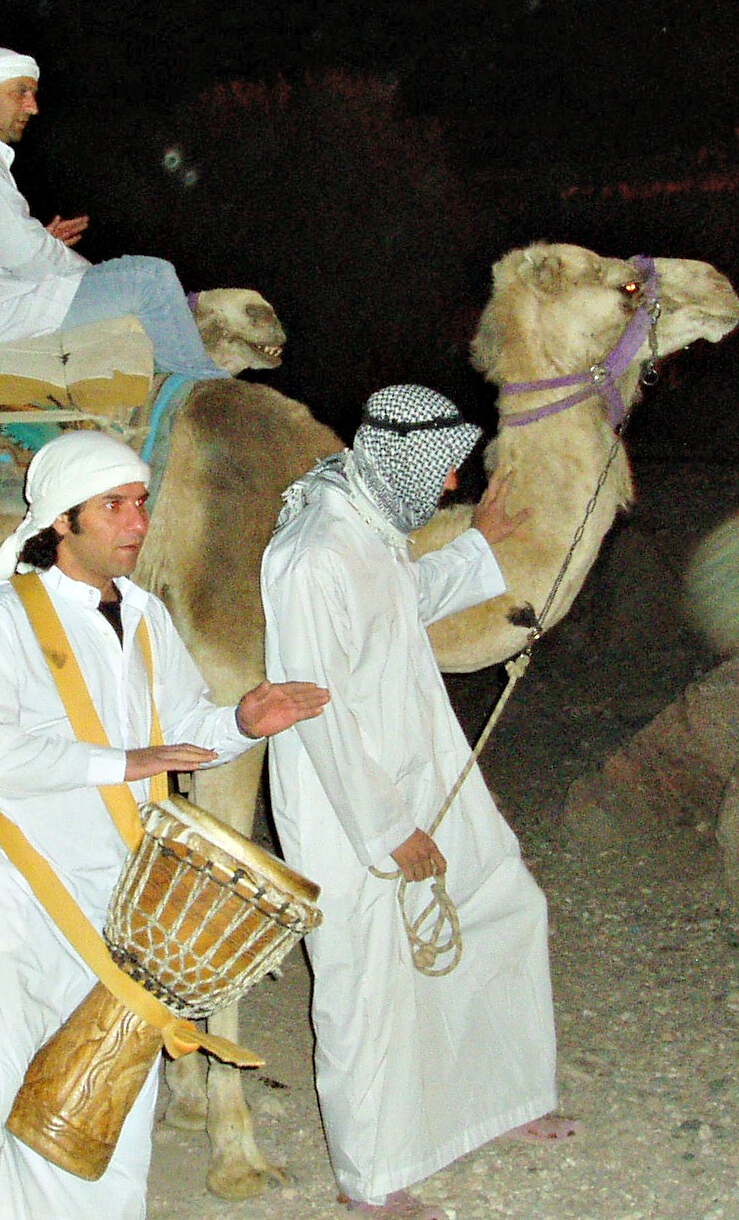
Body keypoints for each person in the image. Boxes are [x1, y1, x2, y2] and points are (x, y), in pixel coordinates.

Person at [0, 430, 330, 1220]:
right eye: (113, 506)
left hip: (124, 903)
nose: (137, 521)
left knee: (102, 1108)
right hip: (13, 893)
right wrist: (120, 761)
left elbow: (185, 723)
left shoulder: (150, 615)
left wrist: (243, 720)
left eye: (141, 503)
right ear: (61, 521)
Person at [259, 384, 575, 1220]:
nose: (444, 487)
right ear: (403, 456)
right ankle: (368, 1183)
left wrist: (480, 544)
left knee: (504, 901)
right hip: (348, 802)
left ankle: (502, 1097)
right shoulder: (311, 551)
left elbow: (398, 609)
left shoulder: (365, 522)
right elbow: (316, 710)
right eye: (441, 473)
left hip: (426, 767)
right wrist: (388, 828)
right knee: (364, 981)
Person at [0, 46, 230, 380]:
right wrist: (92, 274)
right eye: (20, 93)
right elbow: (29, 258)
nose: (33, 107)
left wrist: (44, 242)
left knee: (129, 279)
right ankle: (208, 393)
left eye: (33, 94)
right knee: (151, 280)